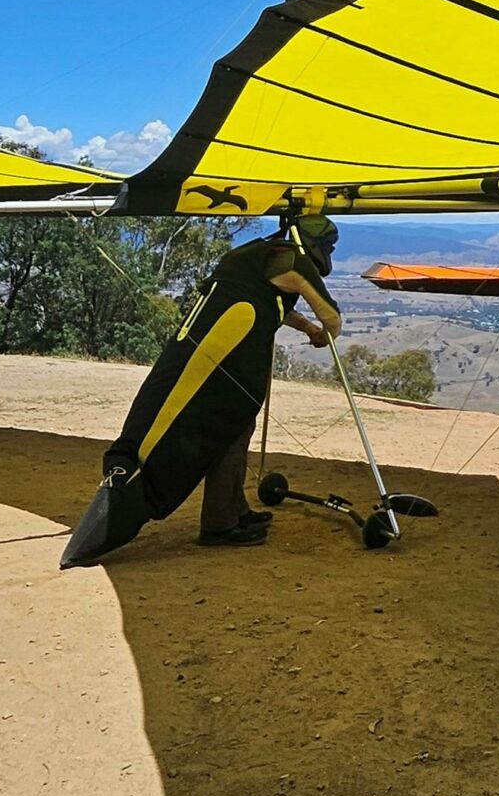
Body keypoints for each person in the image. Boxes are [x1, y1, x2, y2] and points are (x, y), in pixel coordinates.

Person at [59, 215, 343, 567]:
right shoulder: (290, 258)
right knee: (220, 431)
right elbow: (331, 315)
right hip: (223, 364)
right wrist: (325, 331)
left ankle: (233, 510)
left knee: (234, 431)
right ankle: (219, 525)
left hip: (220, 359)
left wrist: (305, 328)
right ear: (317, 245)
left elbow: (271, 303)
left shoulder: (258, 254)